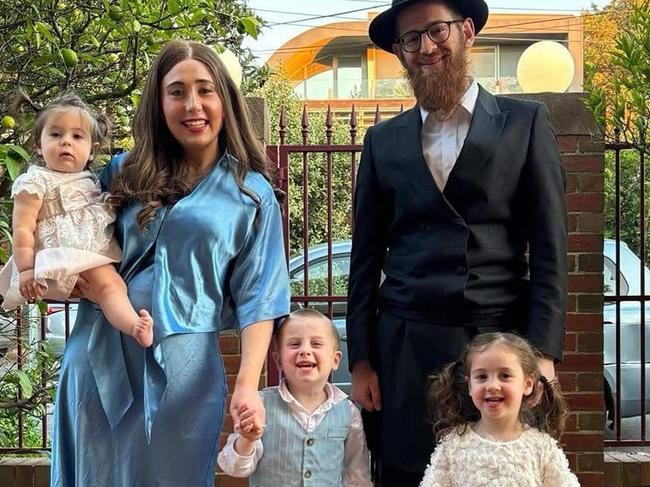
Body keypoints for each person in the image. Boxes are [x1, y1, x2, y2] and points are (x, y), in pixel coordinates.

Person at [50, 40, 289, 486]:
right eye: (177, 91)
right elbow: (73, 242)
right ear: (159, 103)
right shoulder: (122, 172)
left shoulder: (252, 194)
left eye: (205, 89)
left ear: (225, 99)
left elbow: (262, 297)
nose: (192, 104)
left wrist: (247, 385)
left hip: (185, 377)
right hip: (97, 359)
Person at [346, 0, 567, 484]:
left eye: (436, 30)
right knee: (407, 472)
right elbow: (363, 259)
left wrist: (544, 354)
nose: (426, 47)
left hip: (496, 345)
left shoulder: (525, 123)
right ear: (400, 54)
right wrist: (361, 360)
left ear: (466, 31)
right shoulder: (382, 141)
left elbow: (550, 250)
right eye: (410, 39)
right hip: (405, 347)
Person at [0, 93, 153, 347]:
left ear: (91, 151)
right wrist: (27, 271)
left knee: (112, 286)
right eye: (56, 135)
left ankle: (134, 326)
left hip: (86, 258)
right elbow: (23, 229)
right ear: (39, 144)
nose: (66, 143)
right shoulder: (35, 181)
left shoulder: (91, 182)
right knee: (108, 285)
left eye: (77, 136)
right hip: (52, 259)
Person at [217, 308, 373, 486]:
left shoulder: (348, 412)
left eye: (316, 343)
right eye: (294, 344)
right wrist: (247, 440)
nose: (305, 350)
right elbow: (233, 468)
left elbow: (357, 476)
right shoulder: (260, 406)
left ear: (335, 360)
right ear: (278, 360)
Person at [420, 332, 579, 486]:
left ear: (527, 384)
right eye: (482, 377)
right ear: (470, 386)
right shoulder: (452, 446)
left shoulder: (543, 448)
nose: (492, 386)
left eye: (504, 376)